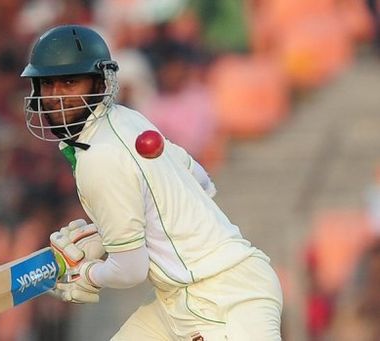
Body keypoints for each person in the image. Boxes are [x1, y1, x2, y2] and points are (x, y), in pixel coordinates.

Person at [20, 24, 283, 340]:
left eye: (69, 82)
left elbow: (131, 270)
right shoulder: (127, 118)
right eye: (47, 84)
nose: (56, 97)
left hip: (225, 298)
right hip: (181, 297)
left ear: (101, 83)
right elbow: (199, 179)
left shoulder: (98, 157)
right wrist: (106, 234)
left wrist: (87, 273)